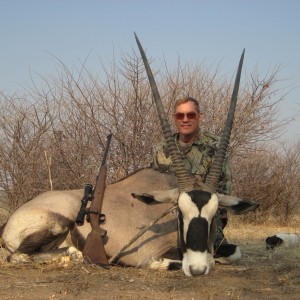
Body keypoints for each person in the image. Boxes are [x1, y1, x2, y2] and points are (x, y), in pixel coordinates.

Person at [152, 96, 232, 251]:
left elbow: (224, 189)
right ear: (174, 118)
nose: (185, 119)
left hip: (204, 218)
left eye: (191, 115)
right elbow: (154, 183)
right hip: (171, 217)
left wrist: (209, 221)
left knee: (221, 252)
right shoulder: (162, 149)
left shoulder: (214, 147)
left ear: (200, 116)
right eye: (180, 115)